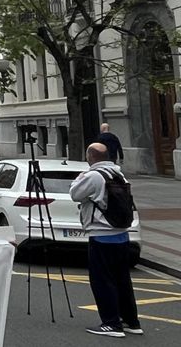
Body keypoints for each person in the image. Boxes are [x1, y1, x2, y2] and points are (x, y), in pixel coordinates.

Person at [70, 143, 141, 338]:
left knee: (103, 281)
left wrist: (79, 178)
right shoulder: (119, 174)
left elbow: (75, 194)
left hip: (101, 235)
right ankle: (131, 322)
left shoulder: (93, 176)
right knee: (122, 280)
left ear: (90, 157)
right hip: (122, 235)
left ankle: (111, 323)